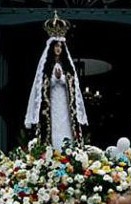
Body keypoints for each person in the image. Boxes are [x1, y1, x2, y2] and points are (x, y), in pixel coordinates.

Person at [24, 12, 87, 149]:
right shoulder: (47, 66)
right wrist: (54, 79)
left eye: (60, 46)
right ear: (52, 48)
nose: (58, 49)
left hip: (65, 102)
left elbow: (73, 84)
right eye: (56, 46)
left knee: (65, 126)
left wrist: (63, 78)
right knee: (53, 127)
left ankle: (69, 151)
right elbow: (41, 85)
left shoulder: (66, 66)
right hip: (51, 103)